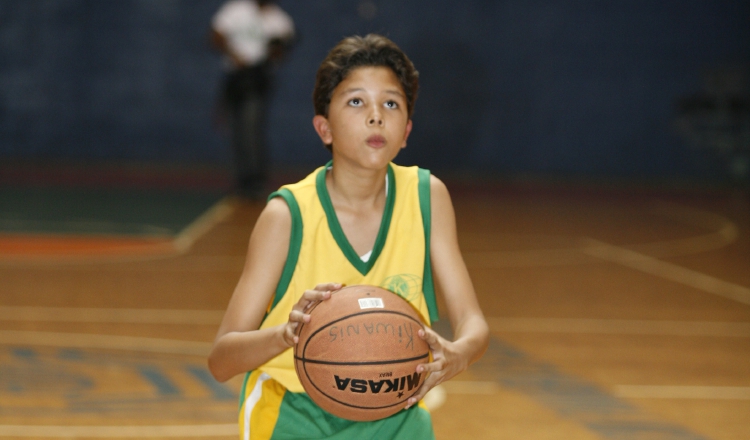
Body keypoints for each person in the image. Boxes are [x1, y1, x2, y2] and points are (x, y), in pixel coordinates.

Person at [208, 34, 489, 439]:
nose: (376, 116)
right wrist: (284, 335)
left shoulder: (429, 197)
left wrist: (459, 354)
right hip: (292, 413)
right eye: (356, 101)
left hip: (396, 413)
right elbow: (221, 361)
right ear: (324, 128)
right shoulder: (287, 216)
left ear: (407, 130)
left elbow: (473, 322)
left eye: (391, 103)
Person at [210, 0, 295, 198]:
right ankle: (243, 180)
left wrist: (271, 53)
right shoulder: (236, 9)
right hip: (236, 79)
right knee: (237, 130)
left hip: (258, 80)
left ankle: (255, 180)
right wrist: (235, 55)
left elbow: (283, 46)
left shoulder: (279, 19)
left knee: (251, 128)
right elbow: (215, 34)